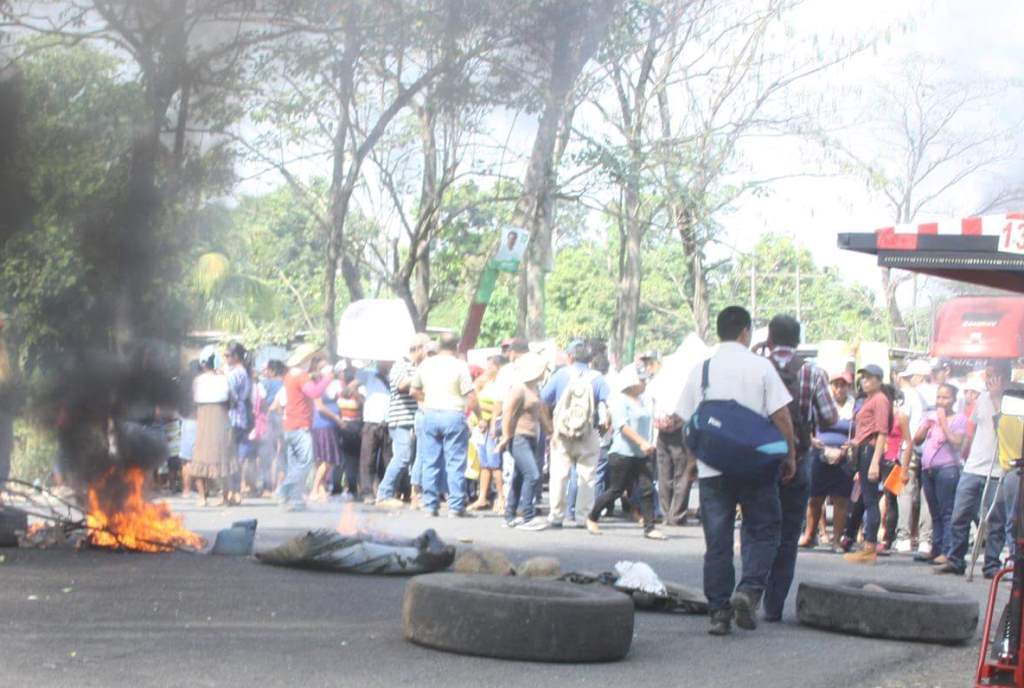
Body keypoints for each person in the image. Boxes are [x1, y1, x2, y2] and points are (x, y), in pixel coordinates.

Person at [676, 306, 795, 636]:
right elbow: (782, 417)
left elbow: (688, 422)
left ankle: (718, 613)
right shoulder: (761, 367)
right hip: (756, 467)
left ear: (719, 331)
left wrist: (691, 464)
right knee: (764, 529)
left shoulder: (702, 370)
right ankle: (749, 590)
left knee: (718, 542)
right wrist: (790, 456)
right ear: (746, 331)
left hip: (713, 469)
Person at [763, 315, 838, 622]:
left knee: (759, 529)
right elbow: (830, 418)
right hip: (800, 460)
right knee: (789, 532)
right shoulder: (811, 372)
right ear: (797, 342)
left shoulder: (758, 367)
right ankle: (774, 606)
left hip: (761, 461)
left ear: (769, 338)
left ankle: (750, 591)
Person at [936, 362, 1009, 577]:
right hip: (973, 466)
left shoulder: (1011, 398)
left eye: (993, 375)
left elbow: (1003, 427)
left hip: (996, 469)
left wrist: (997, 398)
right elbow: (973, 429)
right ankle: (956, 558)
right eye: (987, 375)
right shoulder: (982, 398)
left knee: (994, 520)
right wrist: (964, 450)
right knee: (960, 514)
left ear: (1003, 376)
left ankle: (991, 564)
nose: (988, 380)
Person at [587, 366, 667, 540]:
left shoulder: (643, 401)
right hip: (623, 453)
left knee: (647, 489)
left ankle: (649, 527)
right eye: (641, 380)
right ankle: (593, 515)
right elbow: (623, 426)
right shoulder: (619, 401)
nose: (644, 383)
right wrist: (641, 442)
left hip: (642, 454)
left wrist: (648, 444)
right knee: (616, 490)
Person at [542, 340, 609, 528]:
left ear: (570, 357)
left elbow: (543, 400)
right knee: (587, 475)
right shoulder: (597, 378)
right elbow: (607, 403)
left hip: (561, 433)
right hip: (587, 432)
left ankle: (556, 515)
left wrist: (549, 427)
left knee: (559, 475)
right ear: (590, 359)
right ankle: (583, 516)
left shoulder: (560, 375)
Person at [410, 333, 477, 517]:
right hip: (453, 414)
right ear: (456, 347)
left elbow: (413, 390)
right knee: (455, 461)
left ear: (439, 345)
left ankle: (430, 505)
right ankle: (455, 506)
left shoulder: (426, 364)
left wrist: (429, 399)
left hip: (430, 414)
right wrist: (479, 416)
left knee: (430, 461)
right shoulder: (460, 366)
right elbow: (470, 396)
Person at [912, 382, 966, 565]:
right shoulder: (930, 418)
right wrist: (924, 427)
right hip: (928, 470)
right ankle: (936, 548)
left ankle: (947, 551)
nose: (941, 401)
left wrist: (943, 422)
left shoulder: (959, 419)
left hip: (947, 470)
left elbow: (956, 442)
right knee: (934, 511)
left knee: (947, 511)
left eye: (945, 397)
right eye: (938, 397)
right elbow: (917, 441)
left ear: (953, 400)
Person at [843, 365, 893, 565]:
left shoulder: (880, 399)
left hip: (871, 451)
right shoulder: (869, 400)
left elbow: (882, 432)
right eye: (863, 378)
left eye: (870, 378)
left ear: (879, 381)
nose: (865, 381)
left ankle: (870, 546)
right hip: (863, 448)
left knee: (871, 500)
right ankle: (866, 544)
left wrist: (874, 463)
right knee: (865, 497)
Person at [497, 353, 552, 530]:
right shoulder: (518, 389)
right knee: (533, 475)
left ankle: (510, 515)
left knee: (519, 476)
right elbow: (507, 413)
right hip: (518, 437)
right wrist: (505, 437)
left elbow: (541, 413)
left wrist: (551, 431)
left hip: (531, 437)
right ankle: (527, 515)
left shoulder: (534, 388)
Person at [277, 344, 334, 511]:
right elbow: (314, 392)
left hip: (289, 426)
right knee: (306, 461)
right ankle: (284, 489)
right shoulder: (301, 376)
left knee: (295, 464)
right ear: (307, 360)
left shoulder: (290, 375)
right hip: (300, 425)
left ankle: (295, 501)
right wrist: (328, 378)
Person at [376, 334, 431, 507]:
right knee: (402, 457)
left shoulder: (418, 366)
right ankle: (384, 494)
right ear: (419, 348)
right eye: (426, 349)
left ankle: (415, 495)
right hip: (400, 419)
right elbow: (401, 384)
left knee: (415, 458)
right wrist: (422, 374)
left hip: (414, 418)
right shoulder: (401, 364)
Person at [802, 371, 854, 549]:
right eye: (836, 385)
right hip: (820, 454)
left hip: (843, 458)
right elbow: (807, 422)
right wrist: (811, 439)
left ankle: (837, 540)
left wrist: (851, 444)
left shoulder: (855, 407)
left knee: (841, 500)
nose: (839, 389)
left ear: (849, 387)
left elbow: (860, 430)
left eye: (843, 385)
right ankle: (809, 535)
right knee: (814, 498)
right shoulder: (820, 404)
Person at [190, 347, 233, 507]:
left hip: (204, 420)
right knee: (224, 458)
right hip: (221, 418)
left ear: (202, 364)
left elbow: (194, 401)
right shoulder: (223, 379)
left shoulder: (198, 381)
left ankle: (202, 497)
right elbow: (230, 401)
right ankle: (226, 498)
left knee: (200, 457)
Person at [468, 355, 509, 512]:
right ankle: (482, 498)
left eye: (490, 366)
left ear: (498, 367)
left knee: (495, 464)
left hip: (494, 426)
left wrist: (487, 418)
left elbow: (500, 407)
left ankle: (501, 498)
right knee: (485, 465)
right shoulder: (488, 383)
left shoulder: (501, 385)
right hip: (482, 427)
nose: (487, 370)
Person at [357, 361, 392, 502]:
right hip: (371, 421)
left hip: (389, 421)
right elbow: (355, 375)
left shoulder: (394, 376)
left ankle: (384, 491)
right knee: (368, 459)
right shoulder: (369, 374)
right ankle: (367, 492)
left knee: (387, 459)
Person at [224, 342, 252, 503]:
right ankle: (236, 491)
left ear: (235, 357)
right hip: (241, 417)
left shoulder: (235, 374)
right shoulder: (244, 372)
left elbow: (231, 395)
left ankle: (233, 491)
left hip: (233, 417)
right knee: (237, 457)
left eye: (228, 355)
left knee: (232, 457)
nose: (226, 358)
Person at [310, 373, 344, 502]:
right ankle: (314, 489)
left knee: (325, 460)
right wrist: (337, 418)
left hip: (328, 425)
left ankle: (321, 489)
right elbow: (320, 407)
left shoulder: (330, 387)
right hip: (323, 425)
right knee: (327, 460)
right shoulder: (318, 388)